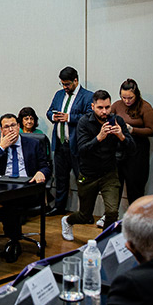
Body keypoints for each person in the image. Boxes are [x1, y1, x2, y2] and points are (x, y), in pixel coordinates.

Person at [62, 90, 135, 240]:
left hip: (109, 172)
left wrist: (121, 136)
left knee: (112, 212)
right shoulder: (84, 122)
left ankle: (104, 241)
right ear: (93, 106)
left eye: (107, 107)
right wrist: (99, 138)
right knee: (85, 215)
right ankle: (67, 221)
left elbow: (133, 148)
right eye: (100, 108)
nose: (104, 111)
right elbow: (81, 150)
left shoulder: (117, 121)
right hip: (88, 174)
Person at [0, 114, 51, 261]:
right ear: (1, 130)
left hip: (28, 188)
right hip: (4, 188)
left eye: (13, 125)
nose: (11, 129)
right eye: (6, 127)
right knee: (3, 201)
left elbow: (46, 166)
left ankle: (13, 242)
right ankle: (12, 239)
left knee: (10, 205)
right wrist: (2, 147)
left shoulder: (33, 144)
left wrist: (40, 172)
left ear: (19, 126)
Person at [47, 66, 93, 215]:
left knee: (82, 180)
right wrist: (54, 117)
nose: (65, 87)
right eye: (62, 84)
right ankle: (59, 207)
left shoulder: (87, 96)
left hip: (77, 146)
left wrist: (70, 118)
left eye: (67, 84)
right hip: (60, 144)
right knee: (60, 179)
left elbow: (90, 118)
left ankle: (85, 211)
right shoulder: (59, 94)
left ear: (75, 80)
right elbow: (49, 111)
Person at [111, 79, 153, 203]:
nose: (126, 101)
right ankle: (112, 217)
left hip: (137, 150)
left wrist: (132, 130)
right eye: (123, 97)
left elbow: (152, 130)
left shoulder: (145, 107)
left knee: (135, 185)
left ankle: (136, 218)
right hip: (119, 149)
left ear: (136, 95)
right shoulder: (116, 105)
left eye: (130, 98)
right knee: (115, 184)